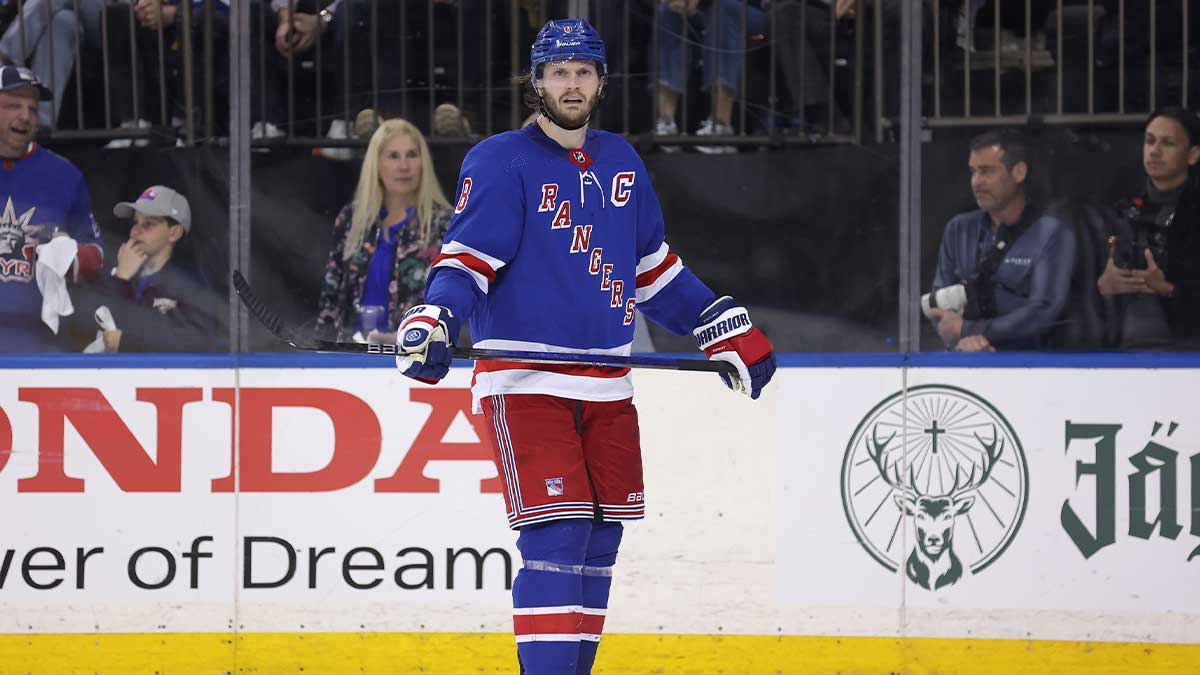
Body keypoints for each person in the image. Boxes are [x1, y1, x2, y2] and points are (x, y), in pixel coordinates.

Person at [392, 19, 776, 674]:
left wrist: (719, 321)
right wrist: (434, 317)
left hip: (607, 384)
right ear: (536, 82)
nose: (572, 84)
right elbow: (466, 262)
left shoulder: (623, 160)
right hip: (526, 382)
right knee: (557, 532)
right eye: (559, 72)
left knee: (600, 540)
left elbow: (653, 272)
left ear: (601, 81)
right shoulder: (499, 160)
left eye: (584, 72)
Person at [926, 128, 1076, 351]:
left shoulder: (1052, 233)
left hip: (1034, 368)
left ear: (1019, 172)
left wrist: (970, 330)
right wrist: (963, 339)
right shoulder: (958, 229)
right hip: (965, 360)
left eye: (986, 171)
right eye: (973, 172)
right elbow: (938, 307)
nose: (976, 182)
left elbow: (1043, 312)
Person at [315, 117, 452, 342]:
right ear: (376, 164)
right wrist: (320, 352)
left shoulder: (444, 223)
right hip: (350, 356)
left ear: (423, 162)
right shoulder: (351, 218)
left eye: (412, 155)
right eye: (393, 156)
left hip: (415, 355)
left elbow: (454, 302)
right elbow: (331, 295)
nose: (404, 166)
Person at [0, 64, 102, 353]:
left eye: (32, 109)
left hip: (40, 352)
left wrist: (71, 256)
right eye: (13, 105)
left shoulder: (64, 175)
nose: (25, 116)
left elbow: (97, 253)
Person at [1097, 108, 1200, 349]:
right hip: (1121, 348)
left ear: (1193, 154)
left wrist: (1168, 289)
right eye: (1149, 141)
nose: (1154, 151)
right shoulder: (1119, 210)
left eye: (1168, 143)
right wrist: (1102, 287)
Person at [96, 185, 219, 352]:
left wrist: (128, 343)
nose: (135, 232)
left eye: (148, 224)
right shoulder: (120, 272)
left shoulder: (191, 284)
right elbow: (93, 327)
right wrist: (121, 278)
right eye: (135, 223)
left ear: (174, 233)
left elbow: (199, 344)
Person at [654, 0, 768, 153]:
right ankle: (666, 124)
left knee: (723, 9)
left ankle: (721, 125)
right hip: (701, 11)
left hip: (752, 13)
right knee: (668, 11)